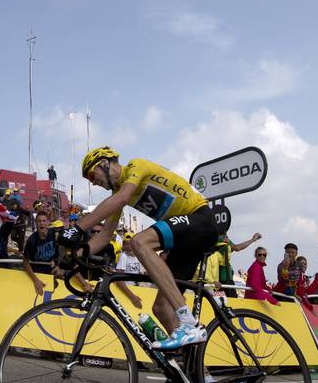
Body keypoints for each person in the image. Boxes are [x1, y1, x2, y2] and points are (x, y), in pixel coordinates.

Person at [68, 147, 219, 350]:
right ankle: (191, 366)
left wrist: (76, 228)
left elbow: (122, 198)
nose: (93, 182)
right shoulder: (117, 194)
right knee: (161, 308)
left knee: (139, 241)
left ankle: (189, 324)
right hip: (184, 241)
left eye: (91, 175)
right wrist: (71, 257)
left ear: (104, 163)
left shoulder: (135, 166)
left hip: (200, 219)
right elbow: (104, 237)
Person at [21, 212, 58, 294]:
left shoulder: (53, 233)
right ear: (36, 223)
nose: (42, 223)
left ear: (48, 222)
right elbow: (25, 263)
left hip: (51, 269)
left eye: (44, 221)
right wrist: (35, 280)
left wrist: (56, 263)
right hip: (37, 272)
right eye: (39, 221)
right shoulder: (31, 241)